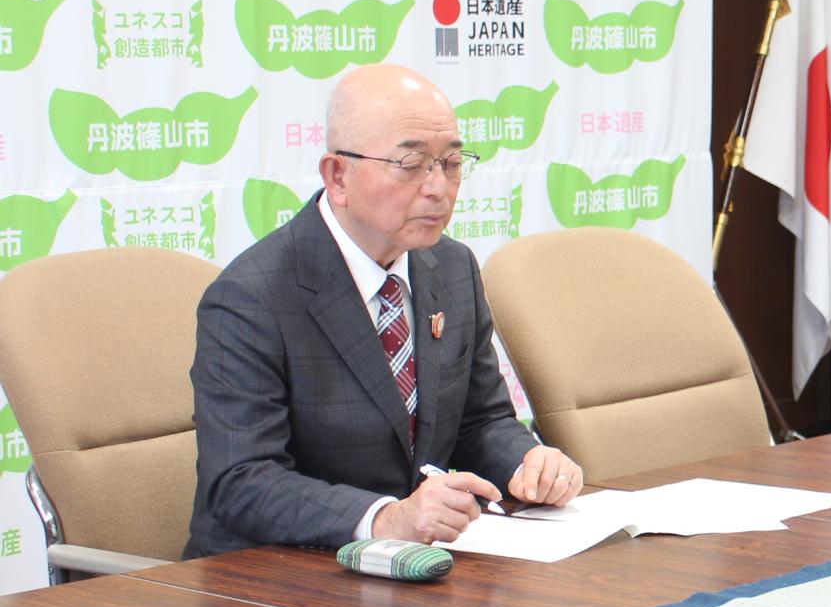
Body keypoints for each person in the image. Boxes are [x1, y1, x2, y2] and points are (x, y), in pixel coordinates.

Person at [186, 63, 583, 558]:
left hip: (416, 567)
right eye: (411, 164)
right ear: (338, 176)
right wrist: (385, 517)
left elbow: (480, 422)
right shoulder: (251, 296)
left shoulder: (451, 267)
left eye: (452, 163)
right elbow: (241, 480)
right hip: (276, 576)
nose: (438, 188)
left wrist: (528, 462)